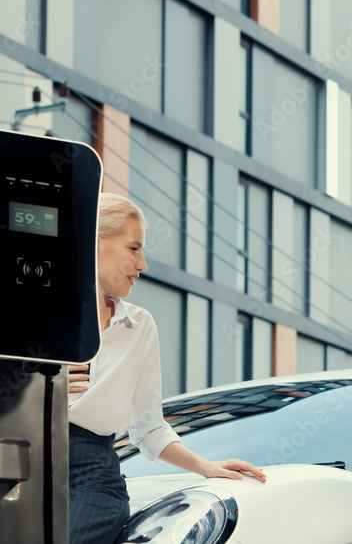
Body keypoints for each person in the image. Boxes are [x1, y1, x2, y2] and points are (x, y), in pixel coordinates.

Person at [67, 193, 266, 544]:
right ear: (95, 243)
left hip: (91, 477)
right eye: (133, 249)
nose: (142, 265)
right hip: (23, 461)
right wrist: (35, 386)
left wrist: (206, 467)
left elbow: (149, 427)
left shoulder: (139, 326)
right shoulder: (38, 316)